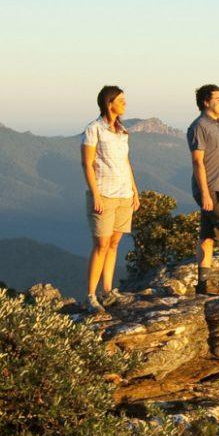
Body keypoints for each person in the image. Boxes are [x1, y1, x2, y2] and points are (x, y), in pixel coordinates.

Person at [81, 84, 138, 312]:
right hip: (103, 194)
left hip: (124, 194)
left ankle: (107, 291)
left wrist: (135, 190)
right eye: (121, 100)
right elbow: (87, 163)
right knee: (101, 245)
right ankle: (90, 295)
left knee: (114, 244)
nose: (125, 103)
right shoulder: (94, 129)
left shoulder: (122, 131)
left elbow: (126, 162)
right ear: (109, 102)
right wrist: (95, 194)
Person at [187, 83, 219, 293]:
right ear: (206, 102)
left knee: (207, 237)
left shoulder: (217, 124)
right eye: (218, 99)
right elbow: (198, 162)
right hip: (210, 190)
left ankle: (202, 285)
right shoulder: (199, 126)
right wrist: (206, 194)